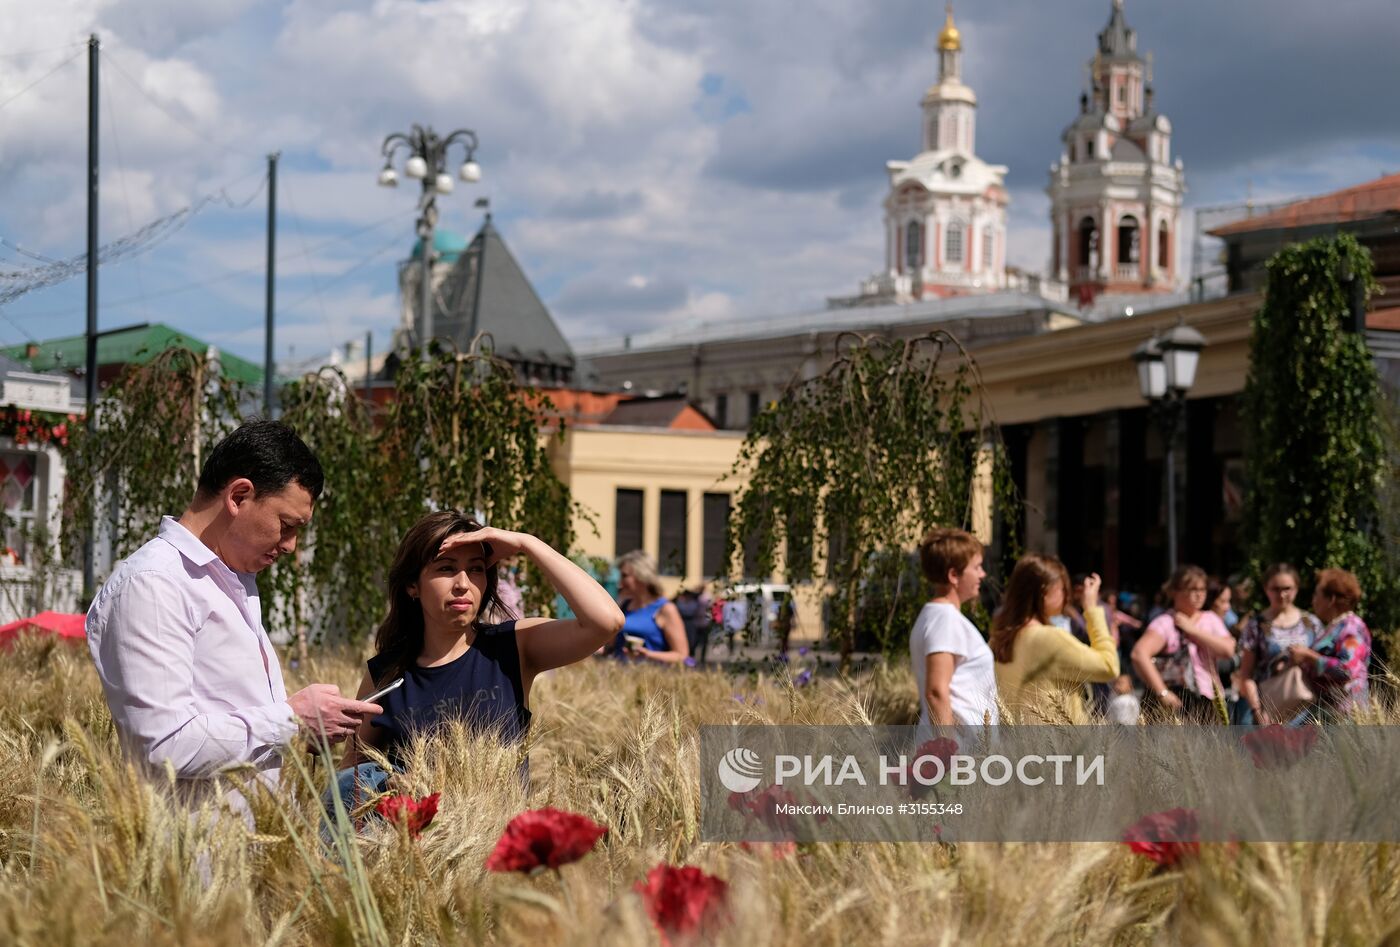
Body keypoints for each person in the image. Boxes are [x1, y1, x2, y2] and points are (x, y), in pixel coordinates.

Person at [86, 420, 382, 799]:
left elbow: (229, 715)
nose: (291, 545)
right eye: (286, 525)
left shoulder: (231, 580)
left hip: (242, 849)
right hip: (189, 855)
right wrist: (291, 719)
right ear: (239, 497)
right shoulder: (155, 584)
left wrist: (305, 725)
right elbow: (165, 748)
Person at [333, 510, 624, 805]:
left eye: (476, 569)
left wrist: (527, 543)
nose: (463, 584)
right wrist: (393, 786)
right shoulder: (387, 674)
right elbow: (350, 784)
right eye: (446, 569)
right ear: (412, 585)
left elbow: (607, 622)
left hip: (500, 841)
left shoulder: (513, 646)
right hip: (421, 845)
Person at [990, 553, 1118, 723]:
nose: (1068, 597)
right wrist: (1092, 609)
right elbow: (1109, 666)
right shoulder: (1050, 639)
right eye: (1063, 589)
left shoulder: (998, 639)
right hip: (1062, 744)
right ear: (1045, 591)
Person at [909, 528, 998, 730]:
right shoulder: (944, 619)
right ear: (954, 575)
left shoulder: (938, 616)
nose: (982, 574)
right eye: (976, 567)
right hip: (960, 751)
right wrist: (947, 751)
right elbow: (936, 691)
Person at [1130, 565, 1235, 722]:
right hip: (1176, 702)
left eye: (1202, 589)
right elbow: (1139, 654)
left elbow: (1228, 650)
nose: (1199, 595)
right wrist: (1162, 692)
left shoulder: (1210, 619)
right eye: (1192, 589)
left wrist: (1193, 630)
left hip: (1209, 698)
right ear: (1174, 592)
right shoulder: (1165, 623)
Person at [1238, 563, 1324, 725]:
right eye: (1275, 589)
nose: (1282, 594)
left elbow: (1323, 664)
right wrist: (1258, 712)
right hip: (1266, 706)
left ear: (1297, 588)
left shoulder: (1312, 624)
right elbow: (1246, 675)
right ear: (1266, 589)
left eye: (1287, 588)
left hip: (1304, 707)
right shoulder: (1256, 625)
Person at [1289, 568, 1372, 721]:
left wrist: (1309, 656)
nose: (1313, 600)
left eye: (1316, 594)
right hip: (1326, 712)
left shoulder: (1351, 628)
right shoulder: (1335, 627)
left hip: (1346, 715)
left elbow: (1346, 670)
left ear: (1331, 599)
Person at [610, 550, 689, 663]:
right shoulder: (624, 606)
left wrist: (648, 655)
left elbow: (681, 655)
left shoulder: (666, 609)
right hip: (618, 675)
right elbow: (612, 646)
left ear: (642, 575)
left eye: (625, 576)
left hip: (649, 677)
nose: (620, 583)